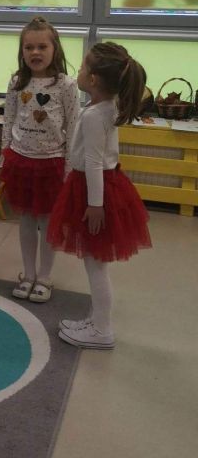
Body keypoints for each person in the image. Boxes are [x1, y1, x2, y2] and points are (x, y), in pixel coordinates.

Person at [48, 42, 151, 349]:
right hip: (100, 185)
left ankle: (102, 330)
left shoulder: (95, 114)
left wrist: (95, 205)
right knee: (95, 262)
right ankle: (96, 320)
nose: (78, 71)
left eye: (82, 67)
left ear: (93, 79)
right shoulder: (107, 107)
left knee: (95, 265)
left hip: (94, 190)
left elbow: (93, 161)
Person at [1, 17, 80, 303]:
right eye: (29, 47)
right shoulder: (17, 81)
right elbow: (9, 119)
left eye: (42, 47)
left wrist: (69, 168)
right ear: (22, 51)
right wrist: (4, 155)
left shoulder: (66, 85)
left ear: (54, 49)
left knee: (47, 222)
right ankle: (28, 273)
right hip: (21, 160)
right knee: (25, 220)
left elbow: (73, 127)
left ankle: (45, 276)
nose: (35, 52)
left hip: (52, 163)